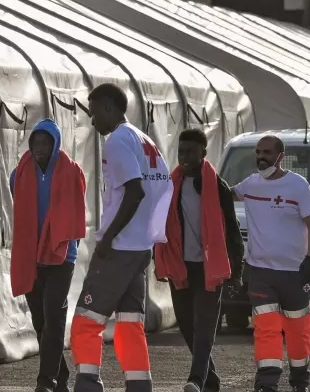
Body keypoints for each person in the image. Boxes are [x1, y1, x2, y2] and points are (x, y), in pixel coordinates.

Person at [71, 83, 173, 392]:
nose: (92, 122)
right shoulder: (144, 140)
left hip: (120, 247)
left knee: (86, 321)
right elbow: (163, 188)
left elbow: (135, 191)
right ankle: (139, 385)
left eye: (93, 114)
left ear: (107, 107)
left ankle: (88, 384)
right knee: (130, 323)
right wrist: (149, 233)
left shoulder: (116, 141)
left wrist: (109, 237)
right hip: (140, 246)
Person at [153, 128, 244, 392]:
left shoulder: (217, 187)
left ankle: (196, 379)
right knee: (186, 324)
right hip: (181, 266)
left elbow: (232, 230)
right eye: (181, 151)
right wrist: (158, 259)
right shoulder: (171, 185)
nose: (184, 157)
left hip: (209, 267)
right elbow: (161, 226)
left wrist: (236, 271)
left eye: (190, 152)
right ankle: (210, 379)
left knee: (204, 324)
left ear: (203, 153)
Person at [230, 135, 310, 392]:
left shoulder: (298, 186)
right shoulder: (250, 185)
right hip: (261, 272)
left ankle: (300, 381)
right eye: (258, 152)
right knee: (266, 327)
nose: (261, 157)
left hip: (295, 273)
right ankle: (267, 383)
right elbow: (223, 195)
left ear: (280, 156)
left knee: (298, 329)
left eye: (267, 152)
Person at [9, 119, 87, 392]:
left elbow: (78, 209)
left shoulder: (71, 171)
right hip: (31, 255)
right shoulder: (19, 173)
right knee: (40, 320)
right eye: (36, 142)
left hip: (61, 254)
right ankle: (61, 376)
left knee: (53, 313)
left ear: (55, 144)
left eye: (45, 142)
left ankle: (46, 381)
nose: (40, 147)